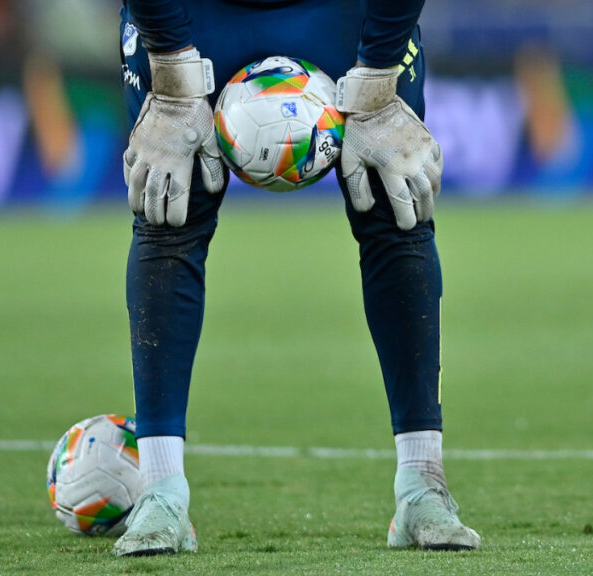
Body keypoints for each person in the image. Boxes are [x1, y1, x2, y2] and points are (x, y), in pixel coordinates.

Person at [115, 0, 480, 556]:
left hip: (346, 10)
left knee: (396, 208)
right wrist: (168, 68)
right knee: (170, 213)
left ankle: (422, 485)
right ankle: (161, 491)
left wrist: (380, 75)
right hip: (191, 12)